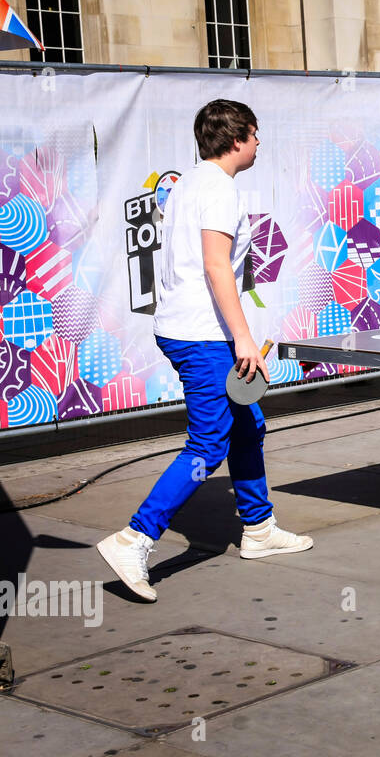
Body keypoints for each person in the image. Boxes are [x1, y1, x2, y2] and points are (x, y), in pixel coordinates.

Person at [96, 100, 313, 602]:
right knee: (209, 443)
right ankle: (136, 538)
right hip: (202, 335)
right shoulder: (218, 189)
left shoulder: (190, 183)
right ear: (237, 139)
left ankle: (258, 530)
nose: (260, 143)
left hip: (188, 329)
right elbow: (217, 267)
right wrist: (242, 337)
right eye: (256, 134)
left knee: (248, 424)